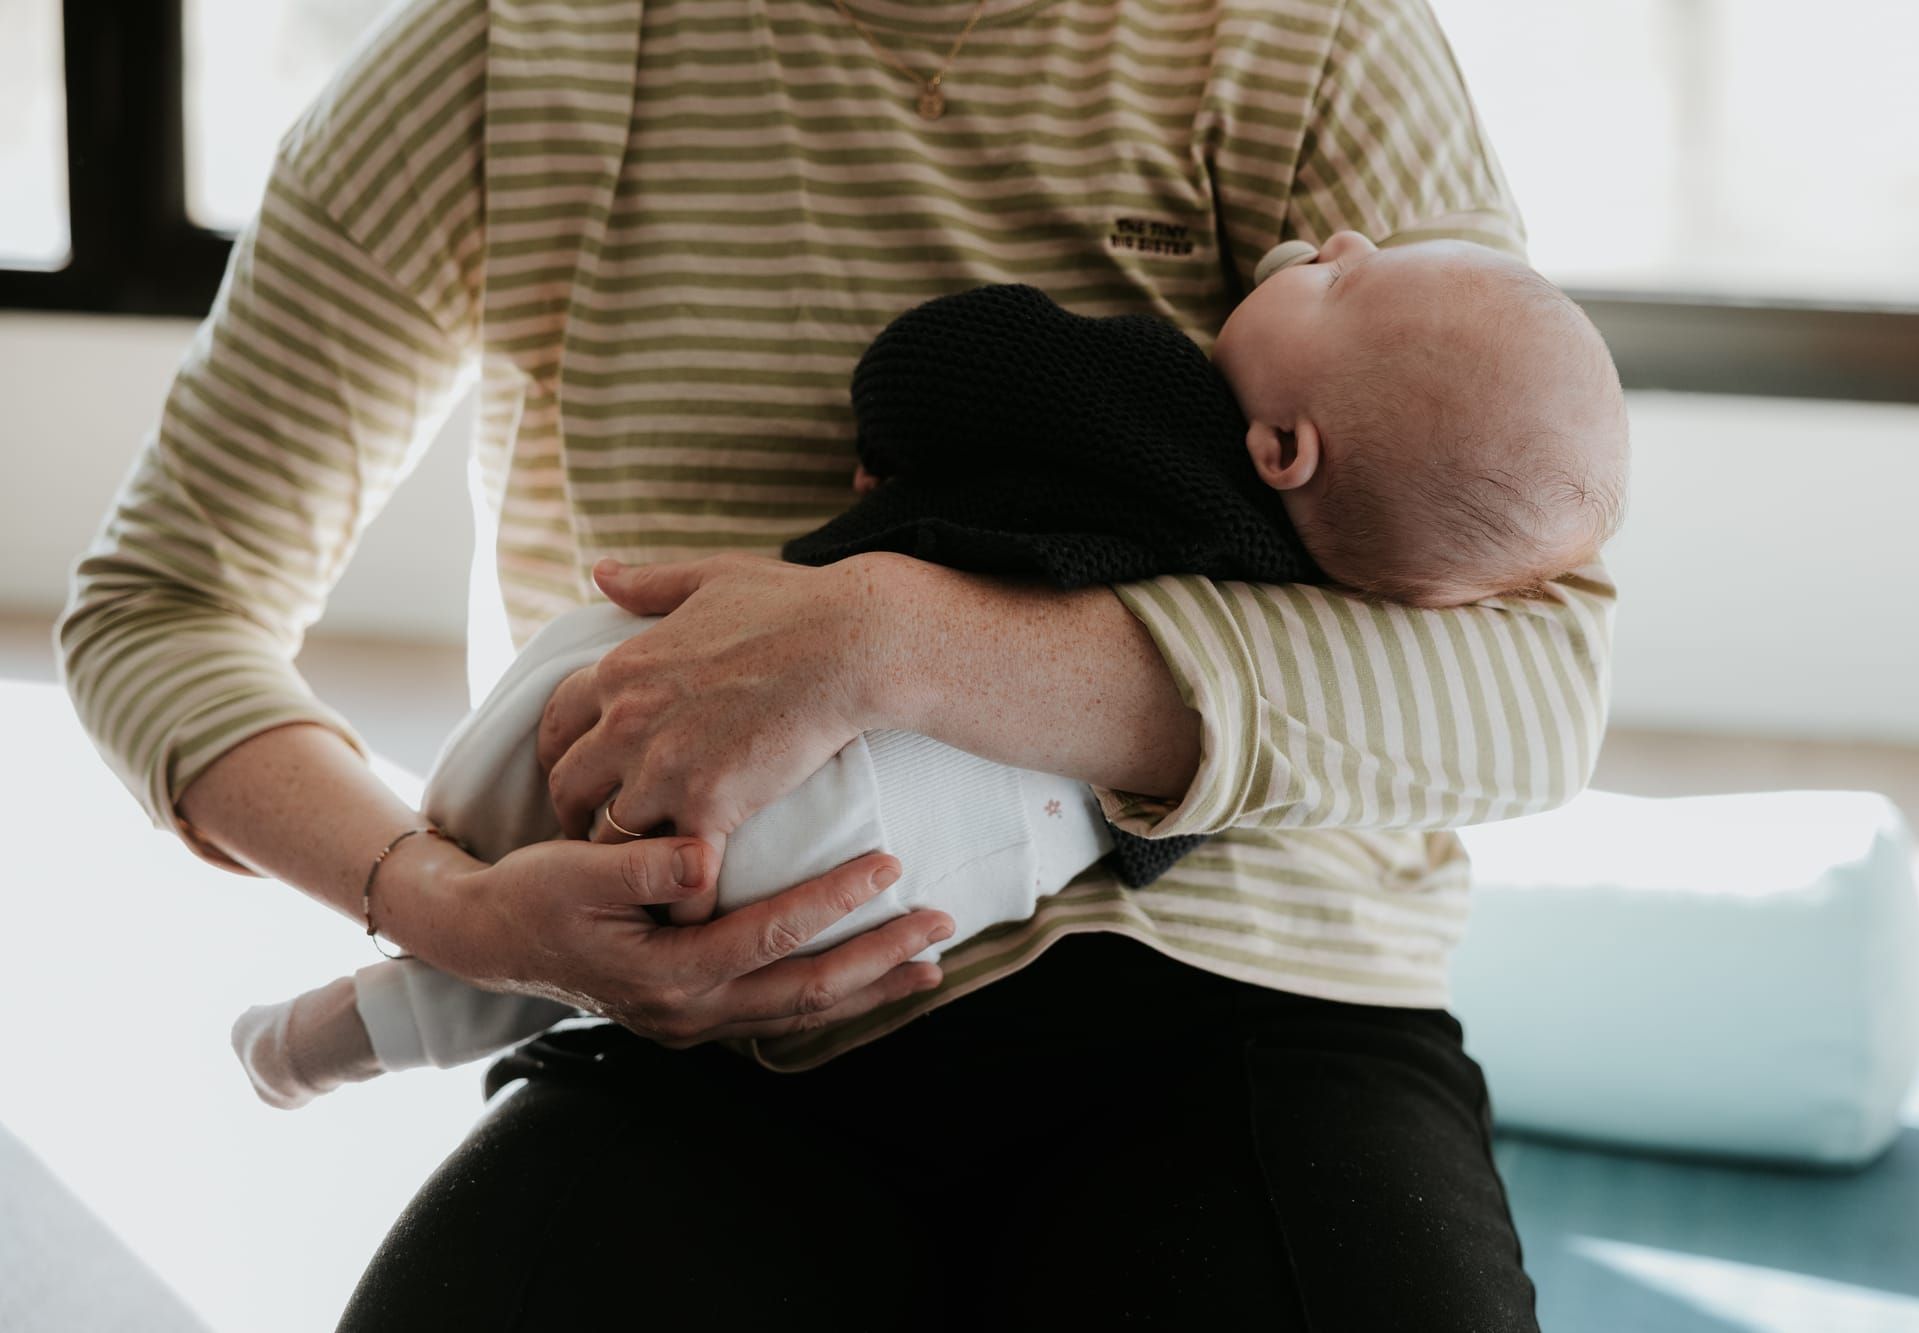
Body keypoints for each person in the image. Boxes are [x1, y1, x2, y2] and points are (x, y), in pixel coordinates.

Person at [59, 0, 1616, 1324]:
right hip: (704, 1007)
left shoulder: (1302, 35)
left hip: (1250, 998)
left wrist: (899, 641)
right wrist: (446, 907)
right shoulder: (513, 52)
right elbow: (162, 604)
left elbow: (1533, 682)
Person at [229, 241, 1627, 1109]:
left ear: (1283, 448)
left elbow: (942, 360)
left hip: (751, 732)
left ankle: (406, 971)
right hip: (947, 871)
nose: (1340, 239)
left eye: (1345, 279)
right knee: (629, 919)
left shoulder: (1159, 400)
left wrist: (891, 550)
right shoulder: (1342, 589)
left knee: (561, 776)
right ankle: (391, 1006)